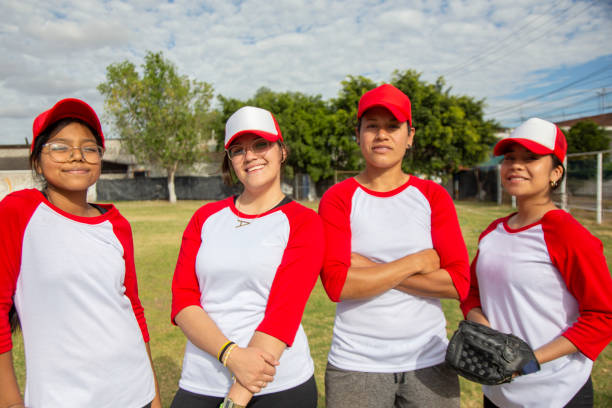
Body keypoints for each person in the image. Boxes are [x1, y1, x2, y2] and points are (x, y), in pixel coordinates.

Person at [0, 98, 161, 408]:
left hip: (134, 391)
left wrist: (153, 395)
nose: (77, 155)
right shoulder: (18, 212)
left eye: (89, 148)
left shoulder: (117, 225)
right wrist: (10, 401)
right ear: (37, 161)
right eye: (60, 147)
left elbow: (133, 310)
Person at [318, 84, 470, 408]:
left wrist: (367, 268)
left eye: (393, 126)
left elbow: (458, 282)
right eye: (372, 126)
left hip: (429, 363)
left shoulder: (432, 196)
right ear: (358, 135)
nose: (382, 135)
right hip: (356, 365)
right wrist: (416, 261)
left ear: (410, 135)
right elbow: (336, 284)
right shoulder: (338, 198)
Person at [170, 106, 323, 408]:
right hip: (203, 378)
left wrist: (235, 400)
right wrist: (231, 354)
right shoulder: (205, 217)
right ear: (230, 161)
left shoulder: (303, 221)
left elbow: (284, 313)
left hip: (277, 385)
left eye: (261, 144)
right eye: (238, 150)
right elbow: (183, 299)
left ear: (282, 151)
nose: (250, 156)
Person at [461, 117, 612, 408]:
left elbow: (602, 316)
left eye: (530, 158)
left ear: (555, 173)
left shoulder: (567, 234)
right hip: (497, 391)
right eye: (510, 158)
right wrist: (484, 333)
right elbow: (471, 294)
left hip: (556, 393)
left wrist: (528, 361)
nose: (516, 165)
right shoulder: (493, 232)